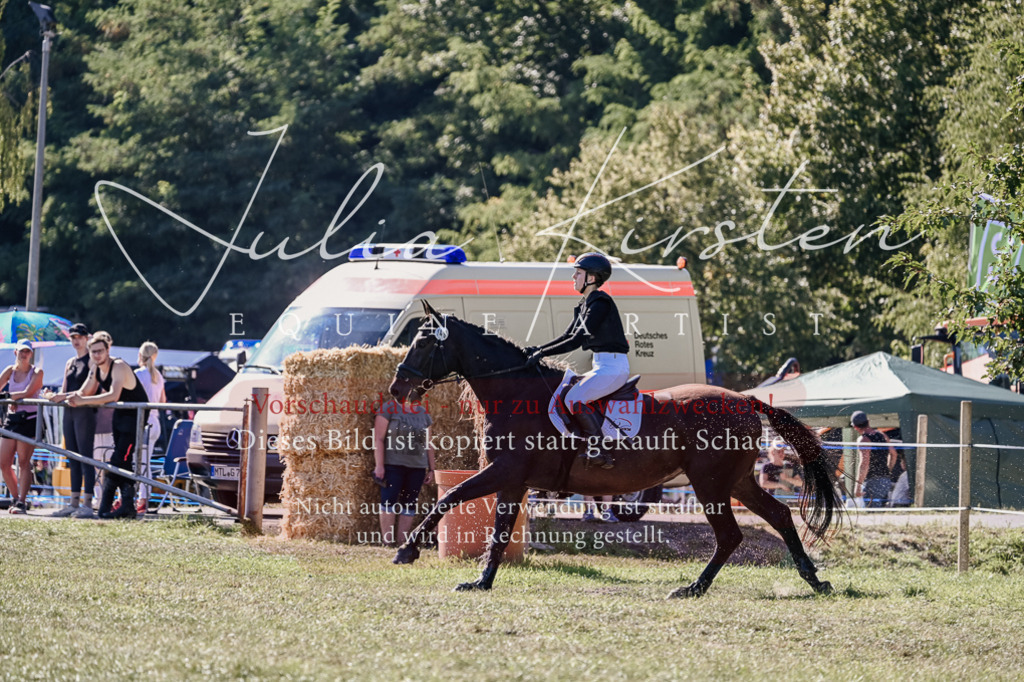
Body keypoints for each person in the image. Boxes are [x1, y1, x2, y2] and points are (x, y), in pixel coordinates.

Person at [525, 253, 629, 469]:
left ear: (591, 278)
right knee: (565, 393)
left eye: (578, 273)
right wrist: (537, 349)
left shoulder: (600, 302)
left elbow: (576, 340)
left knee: (574, 398)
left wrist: (542, 354)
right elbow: (566, 336)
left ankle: (599, 450)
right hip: (602, 365)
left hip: (614, 367)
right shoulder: (585, 304)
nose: (573, 276)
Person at [66, 332, 150, 519]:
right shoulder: (95, 368)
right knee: (121, 462)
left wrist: (80, 401)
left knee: (118, 461)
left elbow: (113, 395)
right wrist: (61, 397)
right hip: (120, 414)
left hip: (135, 415)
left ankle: (107, 509)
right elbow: (83, 392)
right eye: (94, 352)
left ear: (107, 350)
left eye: (100, 351)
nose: (97, 355)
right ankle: (126, 508)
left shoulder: (118, 366)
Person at [46, 323, 98, 518]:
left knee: (86, 458)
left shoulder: (92, 361)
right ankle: (73, 502)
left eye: (79, 337)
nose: (76, 340)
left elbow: (86, 390)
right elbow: (64, 390)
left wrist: (62, 396)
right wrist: (53, 395)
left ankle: (87, 503)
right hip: (69, 411)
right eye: (73, 337)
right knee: (72, 458)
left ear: (87, 338)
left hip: (84, 411)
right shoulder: (70, 362)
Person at [373, 395, 435, 546]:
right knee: (389, 500)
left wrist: (432, 469)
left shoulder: (423, 413)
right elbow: (378, 439)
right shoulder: (388, 408)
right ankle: (387, 543)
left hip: (418, 467)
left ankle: (402, 543)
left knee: (409, 504)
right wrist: (379, 465)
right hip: (393, 465)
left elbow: (429, 443)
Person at [1, 340, 45, 514]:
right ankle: (15, 496)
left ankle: (22, 501)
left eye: (27, 351)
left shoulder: (37, 371)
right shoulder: (10, 370)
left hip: (30, 419)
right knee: (3, 462)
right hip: (13, 419)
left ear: (31, 354)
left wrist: (9, 397)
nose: (24, 354)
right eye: (21, 351)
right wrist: (10, 399)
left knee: (24, 461)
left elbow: (28, 391)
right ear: (15, 353)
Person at [134, 341, 166, 514]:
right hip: (155, 422)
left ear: (141, 355)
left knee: (139, 463)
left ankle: (142, 498)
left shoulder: (138, 374)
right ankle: (143, 497)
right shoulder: (158, 376)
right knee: (145, 461)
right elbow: (163, 401)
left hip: (143, 422)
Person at [851, 411, 897, 508]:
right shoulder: (883, 435)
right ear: (868, 421)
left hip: (872, 481)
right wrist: (888, 469)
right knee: (882, 512)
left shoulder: (864, 440)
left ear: (855, 427)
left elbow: (864, 463)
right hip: (886, 480)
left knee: (873, 512)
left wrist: (857, 486)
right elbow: (894, 454)